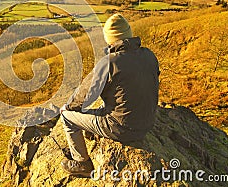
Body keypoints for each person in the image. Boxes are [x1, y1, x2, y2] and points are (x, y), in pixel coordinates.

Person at [60, 13, 160, 177]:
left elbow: (85, 96)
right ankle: (91, 132)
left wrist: (68, 107)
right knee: (105, 107)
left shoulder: (109, 62)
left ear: (109, 38)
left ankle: (81, 163)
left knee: (67, 116)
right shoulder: (149, 55)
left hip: (122, 128)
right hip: (147, 122)